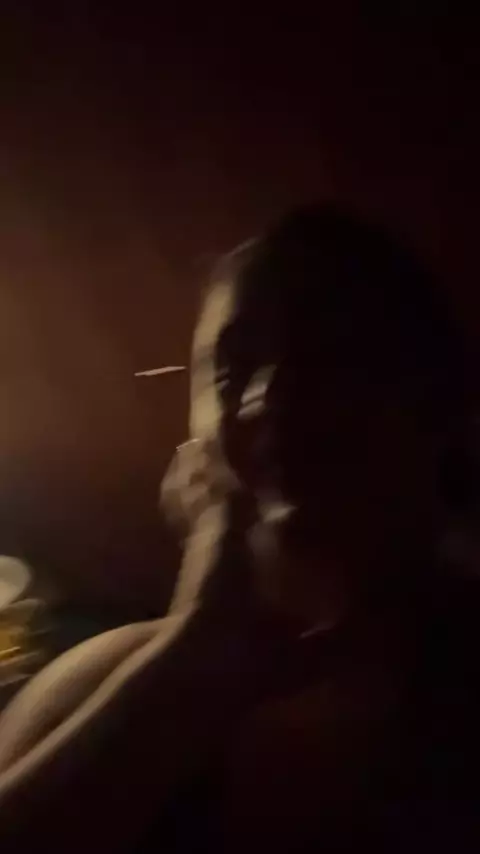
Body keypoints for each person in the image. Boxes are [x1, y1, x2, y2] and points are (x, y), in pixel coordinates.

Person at [0, 204, 478, 852]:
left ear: (442, 399)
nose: (268, 398)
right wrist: (189, 669)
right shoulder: (112, 685)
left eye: (333, 355)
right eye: (230, 369)